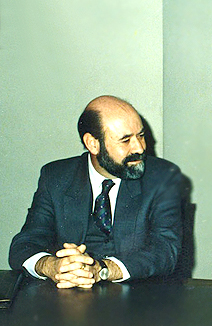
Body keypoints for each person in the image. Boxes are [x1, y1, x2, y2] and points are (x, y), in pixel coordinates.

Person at [9, 96, 183, 288]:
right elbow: (23, 245)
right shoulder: (56, 177)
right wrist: (52, 266)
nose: (139, 147)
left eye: (141, 135)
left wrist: (101, 270)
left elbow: (166, 251)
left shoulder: (164, 177)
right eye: (125, 140)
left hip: (139, 300)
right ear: (93, 144)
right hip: (68, 298)